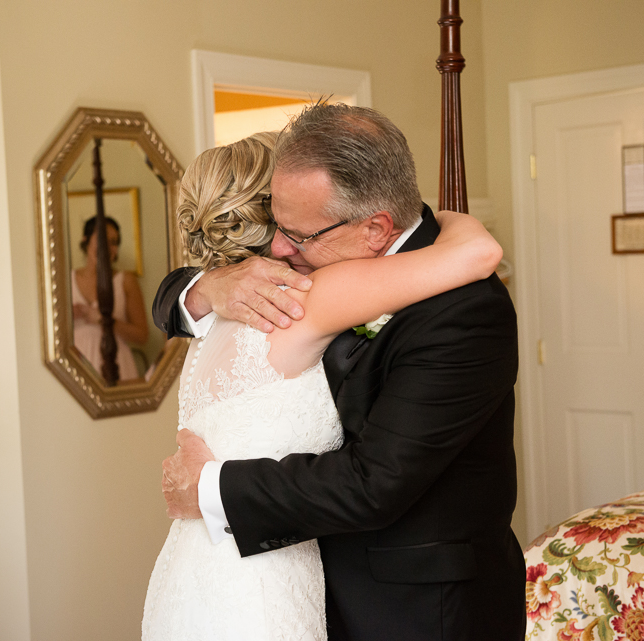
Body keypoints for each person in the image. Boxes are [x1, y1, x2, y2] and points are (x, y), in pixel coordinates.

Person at [155, 105, 525, 640]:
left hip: (419, 612)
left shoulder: (463, 311)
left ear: (376, 228)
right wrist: (208, 285)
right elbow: (172, 299)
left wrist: (210, 487)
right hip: (302, 582)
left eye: (299, 234)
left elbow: (377, 482)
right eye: (277, 227)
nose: (283, 248)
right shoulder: (268, 290)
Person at [71, 215, 148, 381]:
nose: (108, 247)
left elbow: (142, 336)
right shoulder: (65, 280)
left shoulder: (125, 281)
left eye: (114, 242)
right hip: (78, 367)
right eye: (102, 239)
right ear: (86, 241)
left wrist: (104, 320)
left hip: (118, 365)